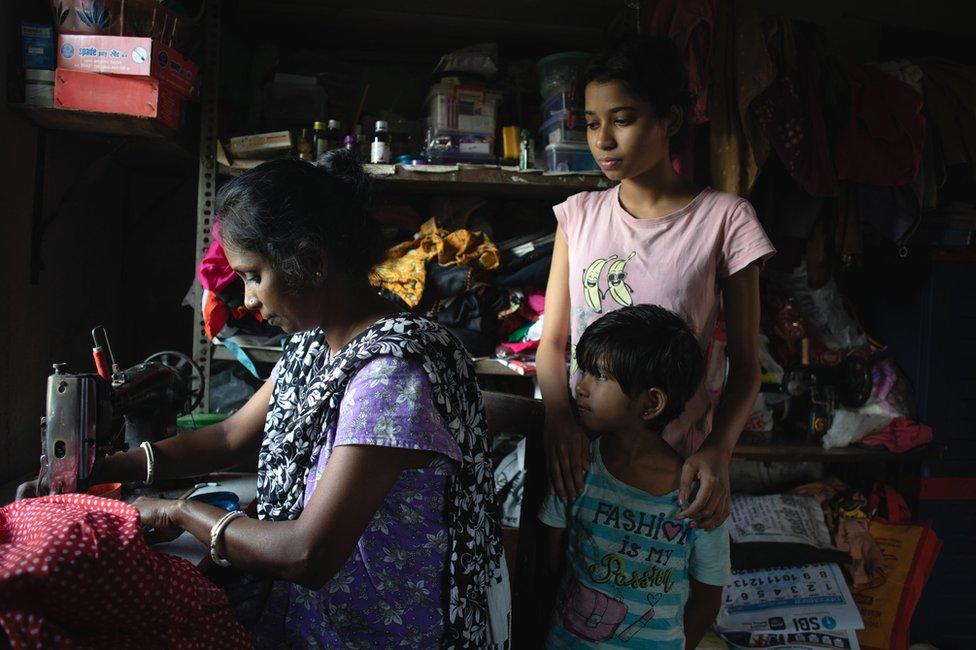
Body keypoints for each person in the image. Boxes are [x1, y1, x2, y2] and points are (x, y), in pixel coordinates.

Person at [21, 152, 508, 649]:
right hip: (313, 616)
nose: (248, 299)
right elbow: (235, 435)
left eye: (254, 275)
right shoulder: (313, 344)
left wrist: (182, 513)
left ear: (313, 263)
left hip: (377, 632)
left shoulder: (390, 373)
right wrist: (110, 465)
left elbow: (308, 554)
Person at [537, 36, 776, 529]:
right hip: (585, 462)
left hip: (676, 469)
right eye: (591, 123)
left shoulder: (725, 220)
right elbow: (553, 342)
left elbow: (747, 367)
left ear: (669, 120)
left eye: (623, 120)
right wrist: (559, 420)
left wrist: (717, 452)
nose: (603, 140)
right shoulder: (578, 216)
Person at [539, 305, 729, 649]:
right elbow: (548, 566)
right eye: (582, 370)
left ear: (651, 403)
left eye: (599, 376)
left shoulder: (698, 496)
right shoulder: (577, 465)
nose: (580, 387)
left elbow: (708, 595)